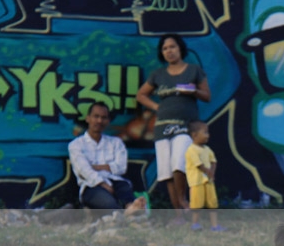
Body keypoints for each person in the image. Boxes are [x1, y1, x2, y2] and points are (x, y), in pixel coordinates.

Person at [136, 34, 211, 223]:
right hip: (162, 127)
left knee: (179, 163)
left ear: (180, 48)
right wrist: (156, 107)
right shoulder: (158, 74)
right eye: (165, 48)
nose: (169, 51)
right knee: (166, 171)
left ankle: (183, 200)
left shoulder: (194, 70)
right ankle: (179, 215)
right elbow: (141, 95)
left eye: (172, 47)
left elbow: (207, 96)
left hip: (185, 126)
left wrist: (193, 91)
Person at [68, 102, 146, 215]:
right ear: (88, 118)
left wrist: (96, 167)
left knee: (127, 194)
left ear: (108, 121)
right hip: (91, 186)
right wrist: (103, 183)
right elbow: (83, 170)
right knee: (109, 204)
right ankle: (126, 214)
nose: (99, 121)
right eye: (96, 116)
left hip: (118, 183)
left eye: (103, 118)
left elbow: (121, 168)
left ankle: (131, 208)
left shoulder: (116, 142)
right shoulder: (76, 145)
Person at [184, 120, 224, 231]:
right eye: (205, 132)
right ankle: (195, 224)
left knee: (212, 202)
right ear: (194, 135)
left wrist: (212, 172)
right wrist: (208, 171)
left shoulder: (207, 149)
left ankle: (214, 225)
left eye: (208, 132)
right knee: (197, 203)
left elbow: (213, 161)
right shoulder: (191, 150)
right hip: (197, 182)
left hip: (208, 181)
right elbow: (199, 165)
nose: (208, 135)